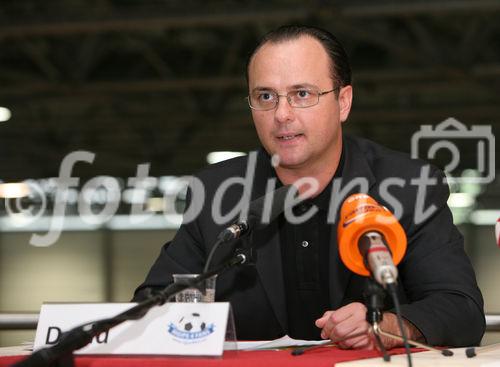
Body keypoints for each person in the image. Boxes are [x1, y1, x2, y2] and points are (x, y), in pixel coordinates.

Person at [134, 25, 485, 349]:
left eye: (302, 94)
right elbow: (151, 301)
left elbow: (461, 309)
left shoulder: (410, 187)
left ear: (343, 101)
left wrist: (390, 325)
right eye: (266, 96)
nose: (282, 114)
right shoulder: (216, 192)